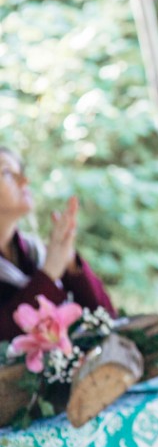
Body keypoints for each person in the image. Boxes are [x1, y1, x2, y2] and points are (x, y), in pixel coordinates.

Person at [0, 146, 115, 341]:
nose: (25, 181)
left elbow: (106, 318)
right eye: (7, 173)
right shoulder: (47, 262)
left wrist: (69, 263)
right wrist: (49, 274)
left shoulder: (34, 251)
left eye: (21, 172)